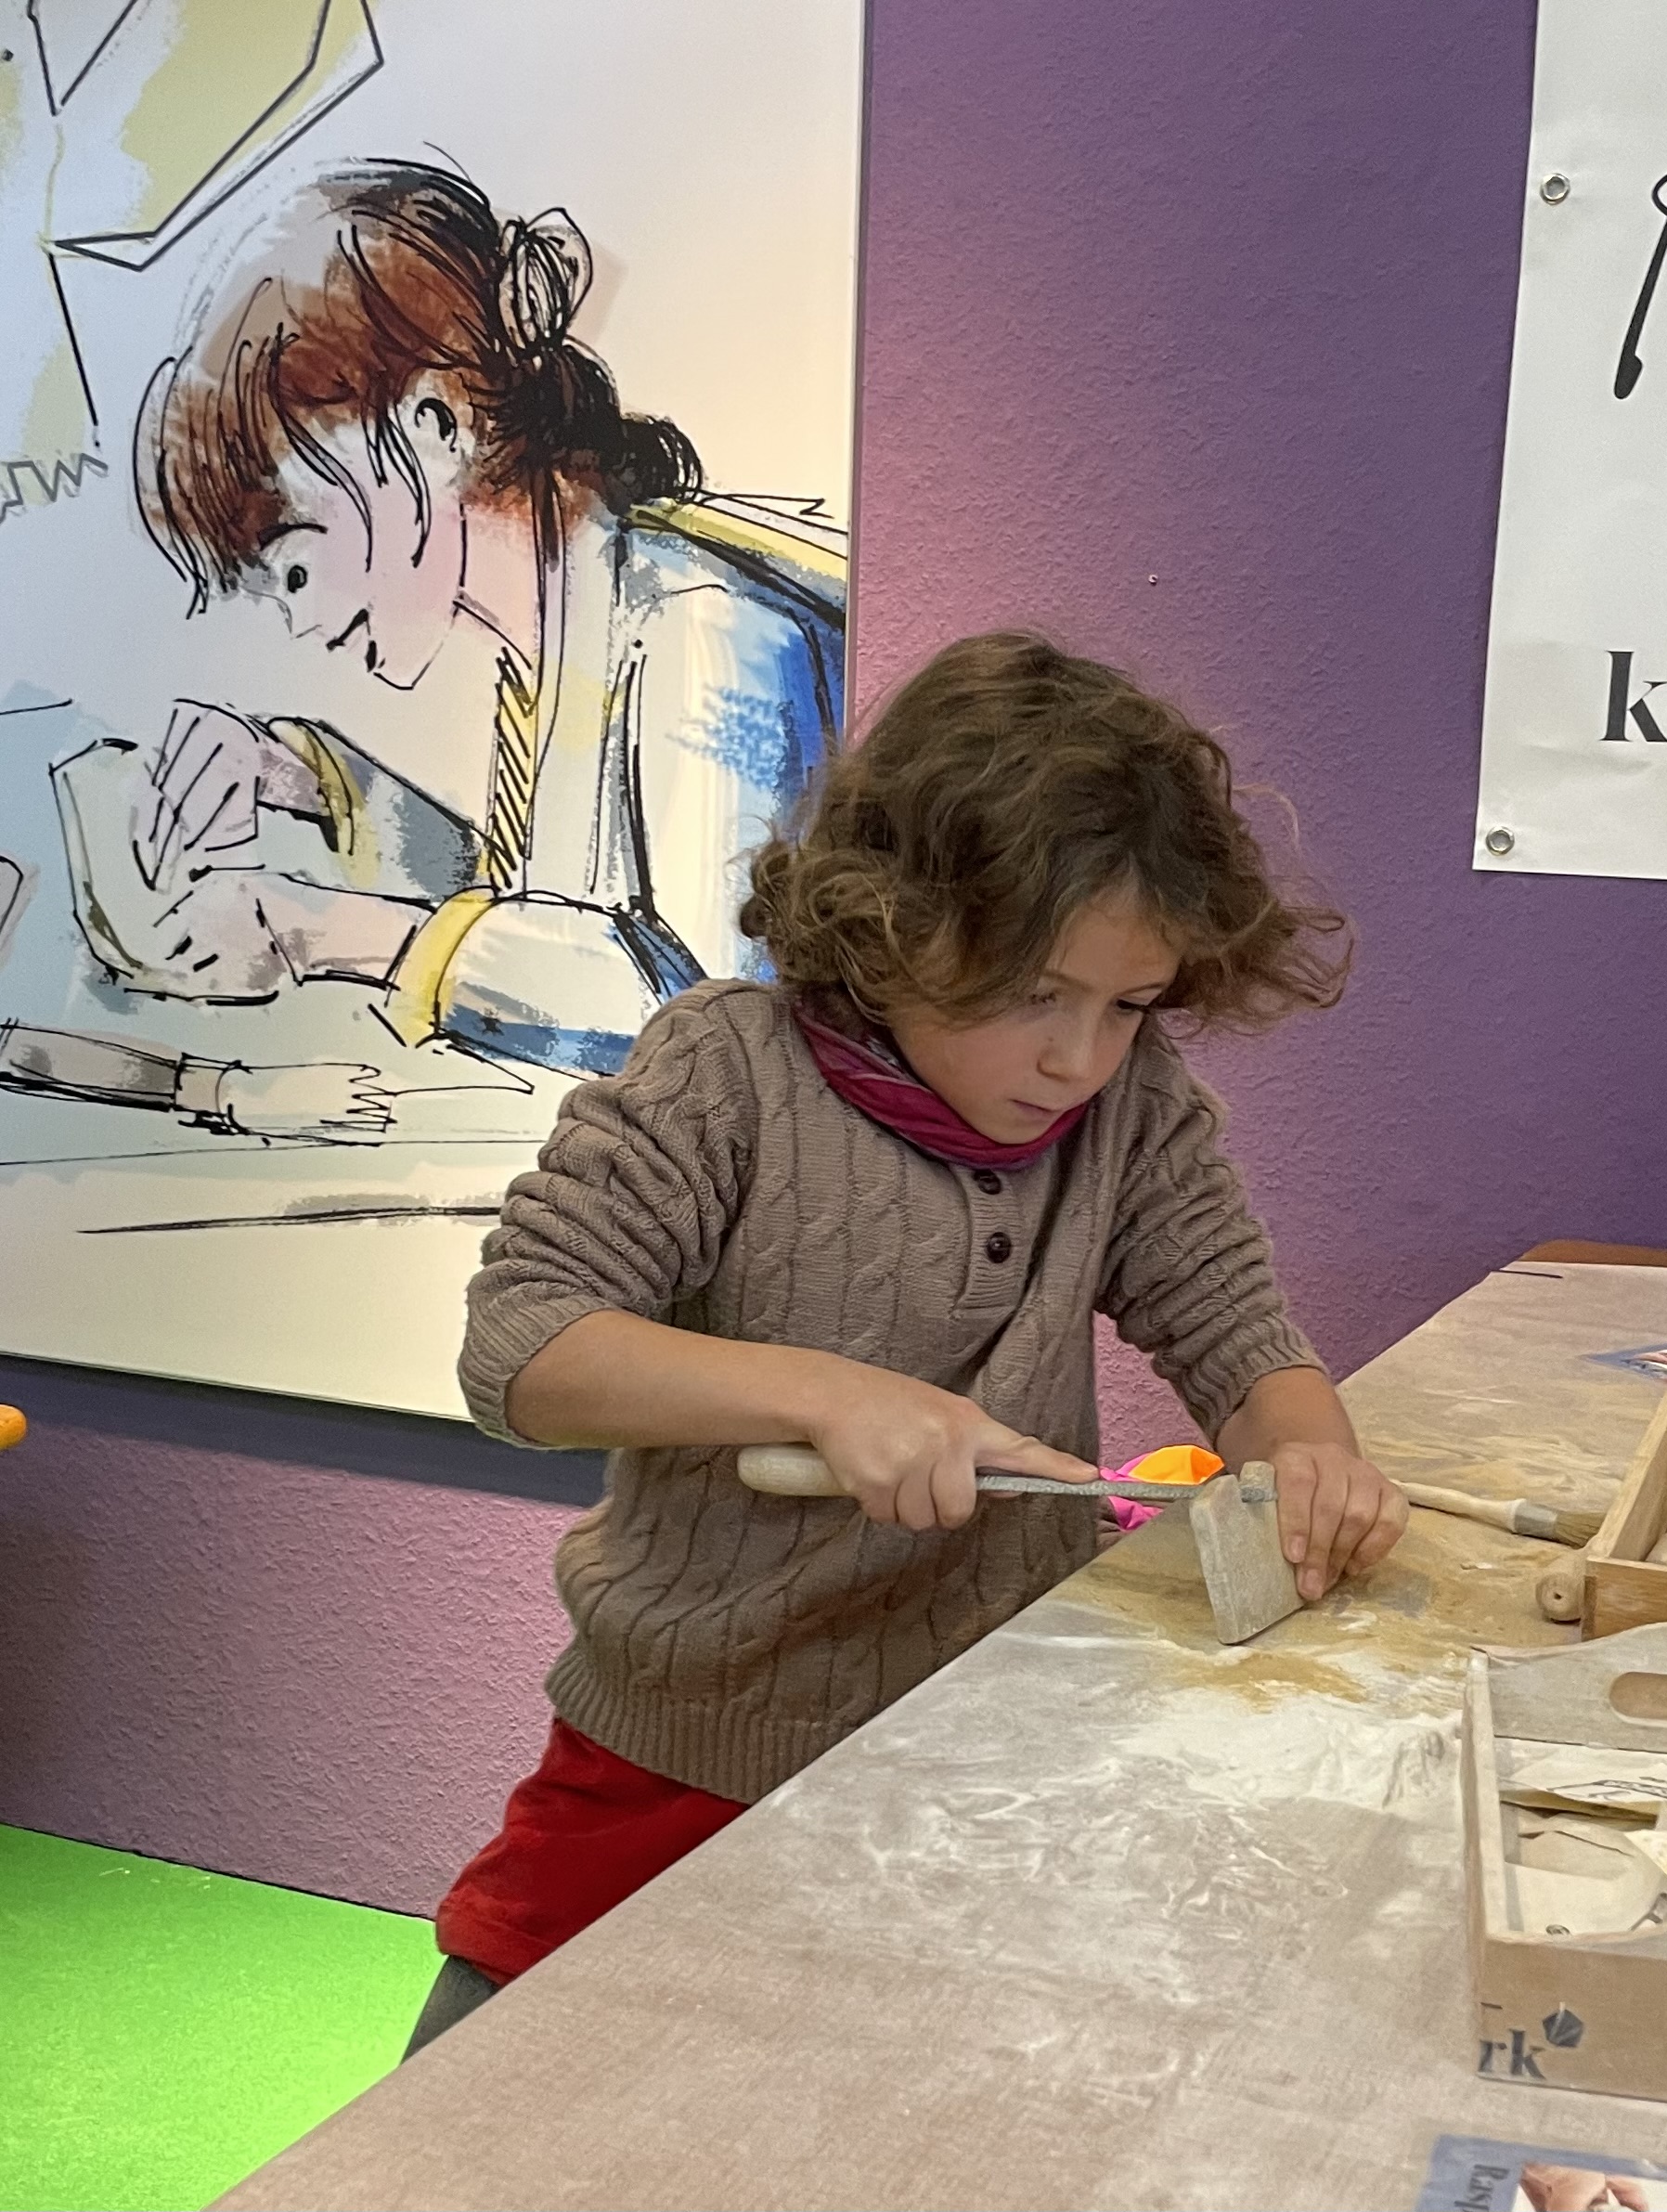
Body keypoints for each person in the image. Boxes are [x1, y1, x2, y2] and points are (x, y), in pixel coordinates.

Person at [403, 632, 1409, 2051]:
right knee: (470, 2099)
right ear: (892, 923)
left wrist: (1307, 1457)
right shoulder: (724, 1071)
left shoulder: (1129, 1115)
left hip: (994, 1738)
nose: (1079, 1057)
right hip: (687, 1742)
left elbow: (1237, 1332)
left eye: (1127, 1005)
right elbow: (522, 1347)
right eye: (1035, 992)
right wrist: (823, 1394)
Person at [94, 160, 842, 1071]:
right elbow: (524, 915)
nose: (304, 622)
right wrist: (297, 775)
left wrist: (322, 930)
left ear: (433, 426)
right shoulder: (557, 638)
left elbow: (708, 1011)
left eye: (295, 564)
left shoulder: (704, 625)